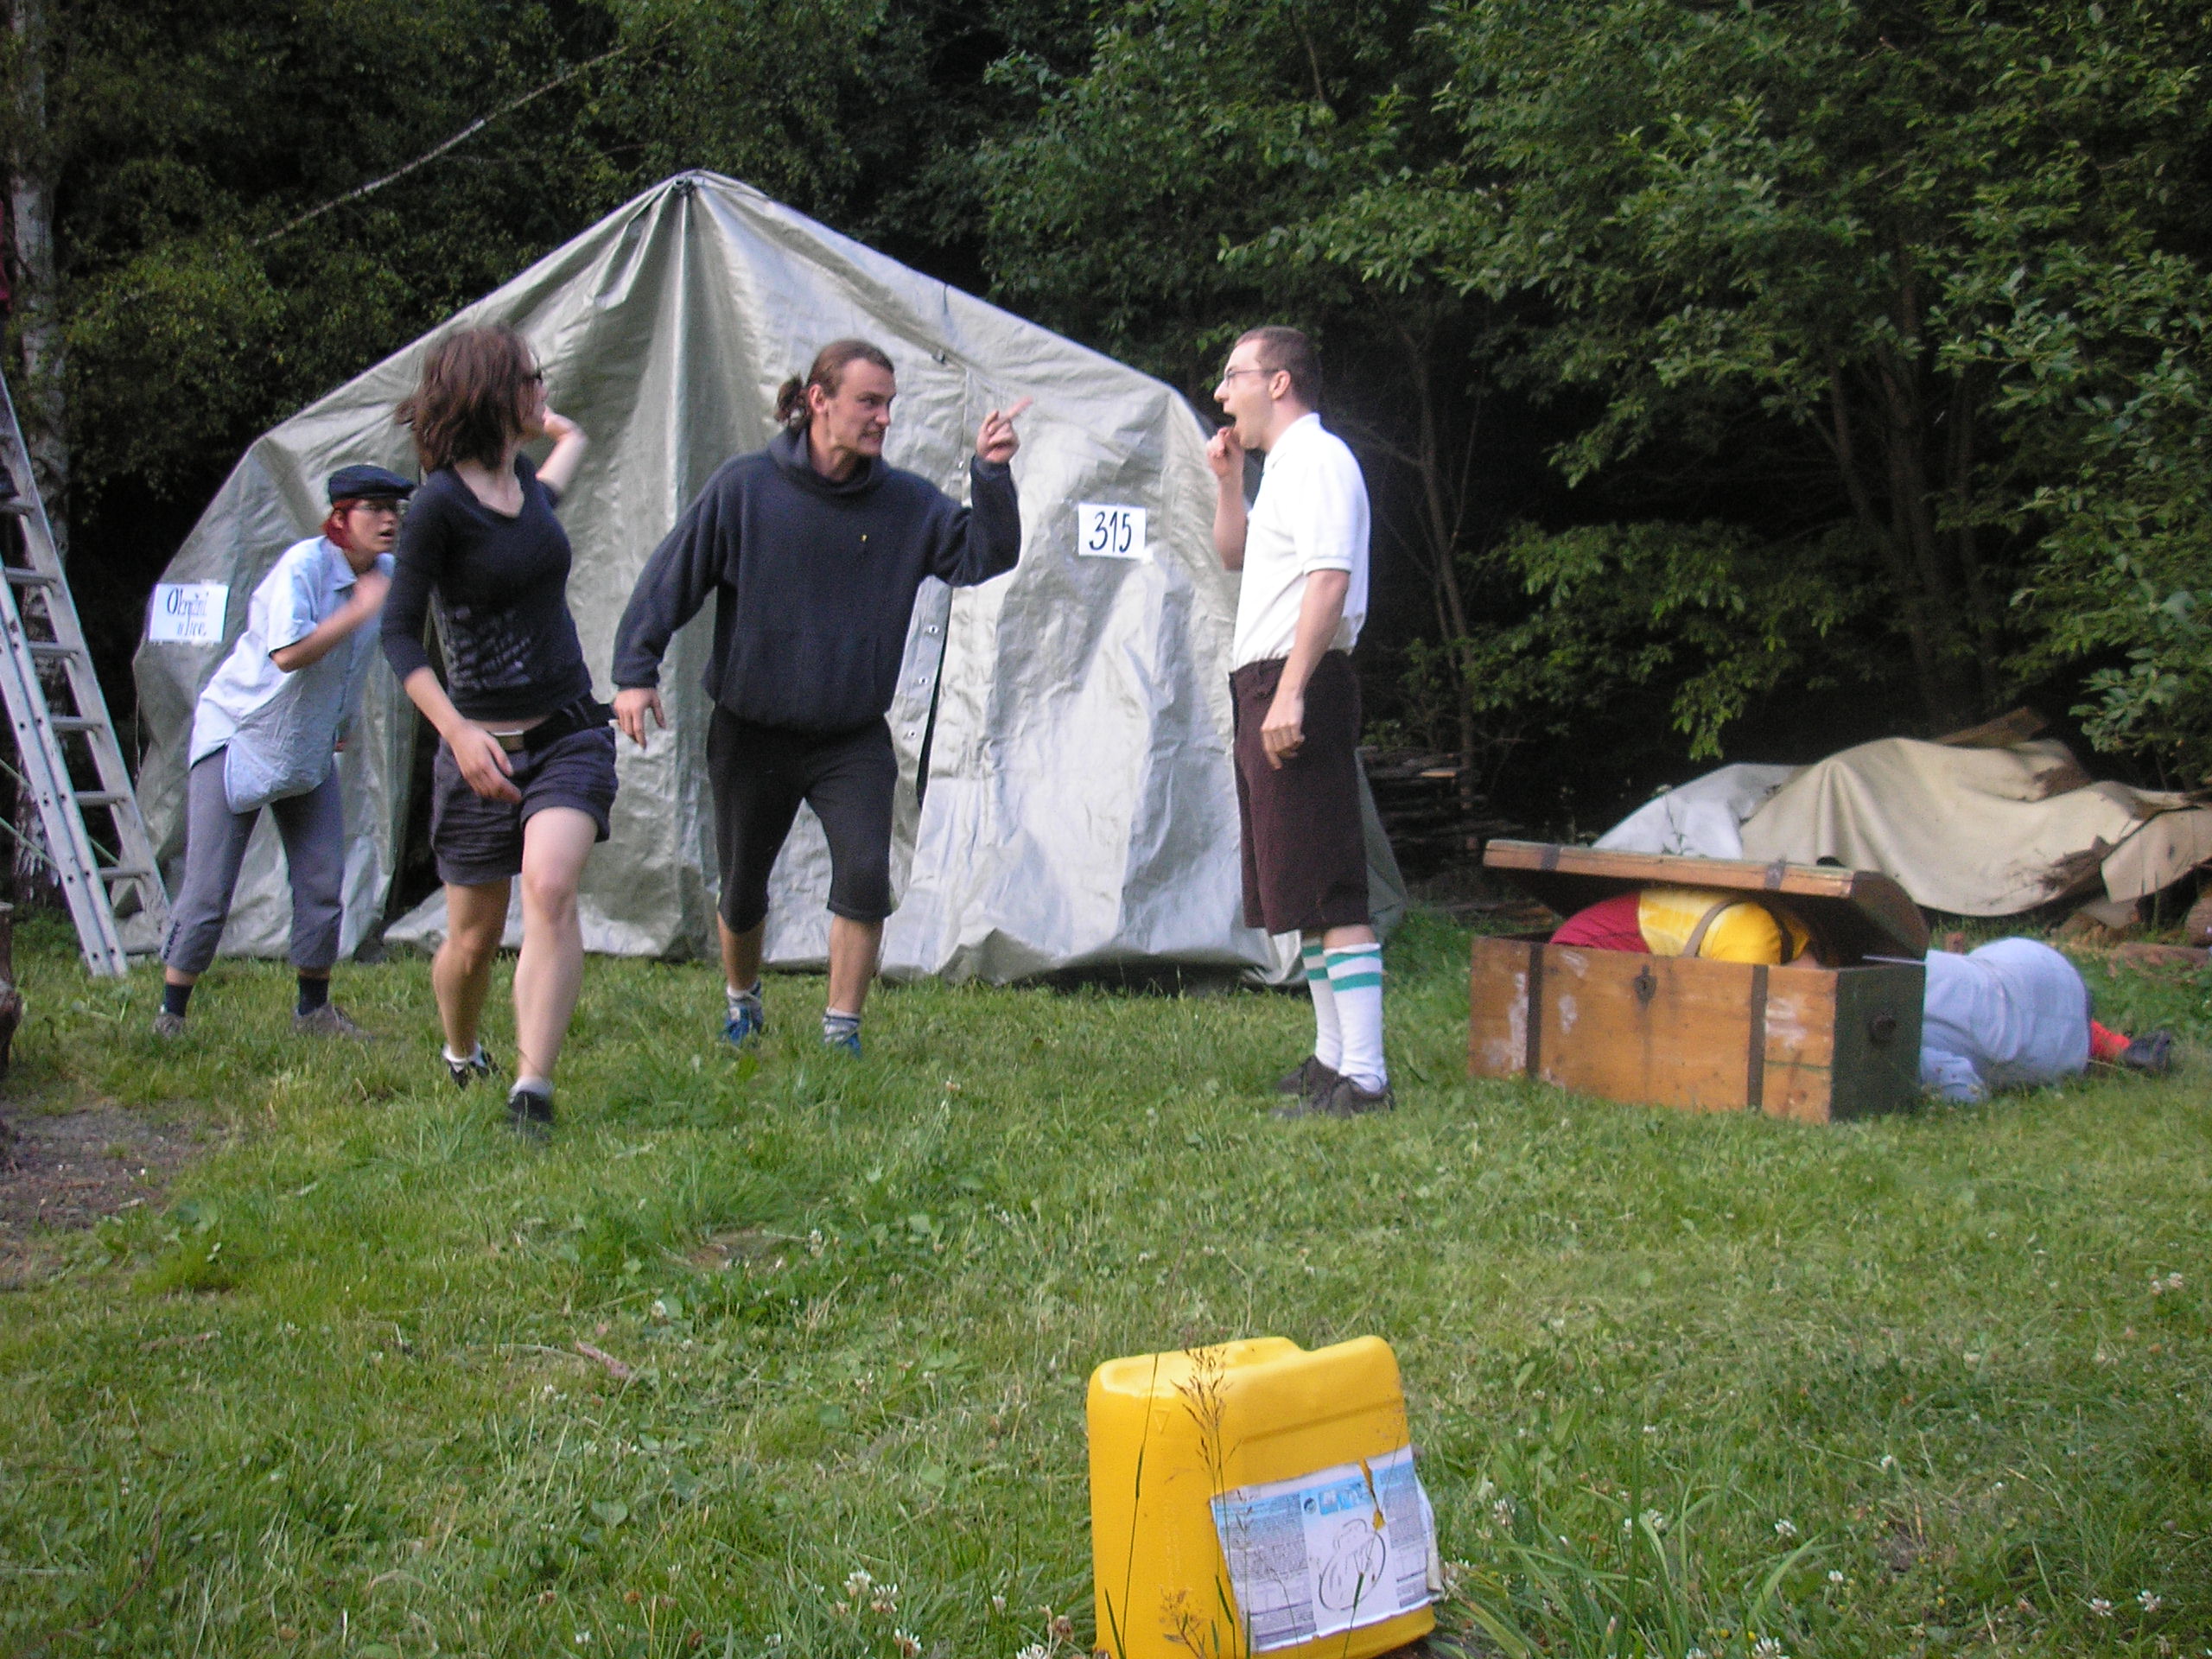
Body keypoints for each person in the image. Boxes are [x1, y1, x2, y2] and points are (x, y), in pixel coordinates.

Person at [611, 339, 1026, 1057]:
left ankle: (842, 1033)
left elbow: (985, 555)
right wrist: (634, 670)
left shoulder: (905, 504)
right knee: (743, 888)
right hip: (751, 730)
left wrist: (990, 474)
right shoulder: (746, 489)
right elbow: (672, 576)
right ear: (818, 401)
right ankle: (742, 1002)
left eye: (890, 404)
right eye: (869, 402)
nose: (884, 418)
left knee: (864, 876)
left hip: (851, 736)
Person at [381, 325, 612, 1138]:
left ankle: (531, 1090)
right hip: (478, 751)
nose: (543, 387)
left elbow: (563, 461)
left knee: (549, 887)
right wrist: (456, 733)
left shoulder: (528, 489)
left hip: (568, 731)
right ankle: (462, 1048)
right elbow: (399, 635)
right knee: (472, 942)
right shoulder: (438, 507)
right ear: (490, 394)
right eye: (530, 379)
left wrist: (560, 429)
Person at [155, 464, 412, 1039]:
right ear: (340, 518)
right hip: (239, 736)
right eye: (375, 509)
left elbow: (358, 661)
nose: (389, 520)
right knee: (209, 890)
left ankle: (313, 1013)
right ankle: (170, 1016)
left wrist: (340, 721)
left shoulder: (386, 574)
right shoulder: (304, 565)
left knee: (322, 881)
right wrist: (356, 610)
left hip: (306, 745)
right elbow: (288, 654)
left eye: (394, 509)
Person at [1206, 325, 1387, 1119]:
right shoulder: (1282, 467)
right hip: (1268, 682)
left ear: (1278, 383)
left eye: (1234, 376)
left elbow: (1330, 579)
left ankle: (1367, 1079)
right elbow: (1234, 556)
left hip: (1294, 679)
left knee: (1330, 887)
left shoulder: (1319, 458)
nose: (1222, 393)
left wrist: (1292, 693)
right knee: (1302, 889)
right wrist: (1228, 482)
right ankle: (1332, 1059)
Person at [1919, 938, 2172, 1102]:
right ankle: (2114, 1045)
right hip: (2029, 959)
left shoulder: (1910, 1047)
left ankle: (2111, 1045)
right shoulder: (1902, 956)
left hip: (2054, 1045)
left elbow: (1965, 1091)